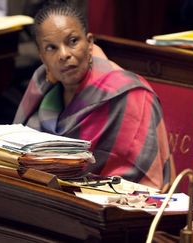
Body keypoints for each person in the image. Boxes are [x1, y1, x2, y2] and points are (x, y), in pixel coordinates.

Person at [13, 1, 175, 190]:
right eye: (51, 48)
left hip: (114, 206)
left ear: (89, 43)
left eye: (73, 41)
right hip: (48, 197)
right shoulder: (41, 85)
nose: (64, 54)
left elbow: (142, 183)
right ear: (41, 56)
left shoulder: (130, 94)